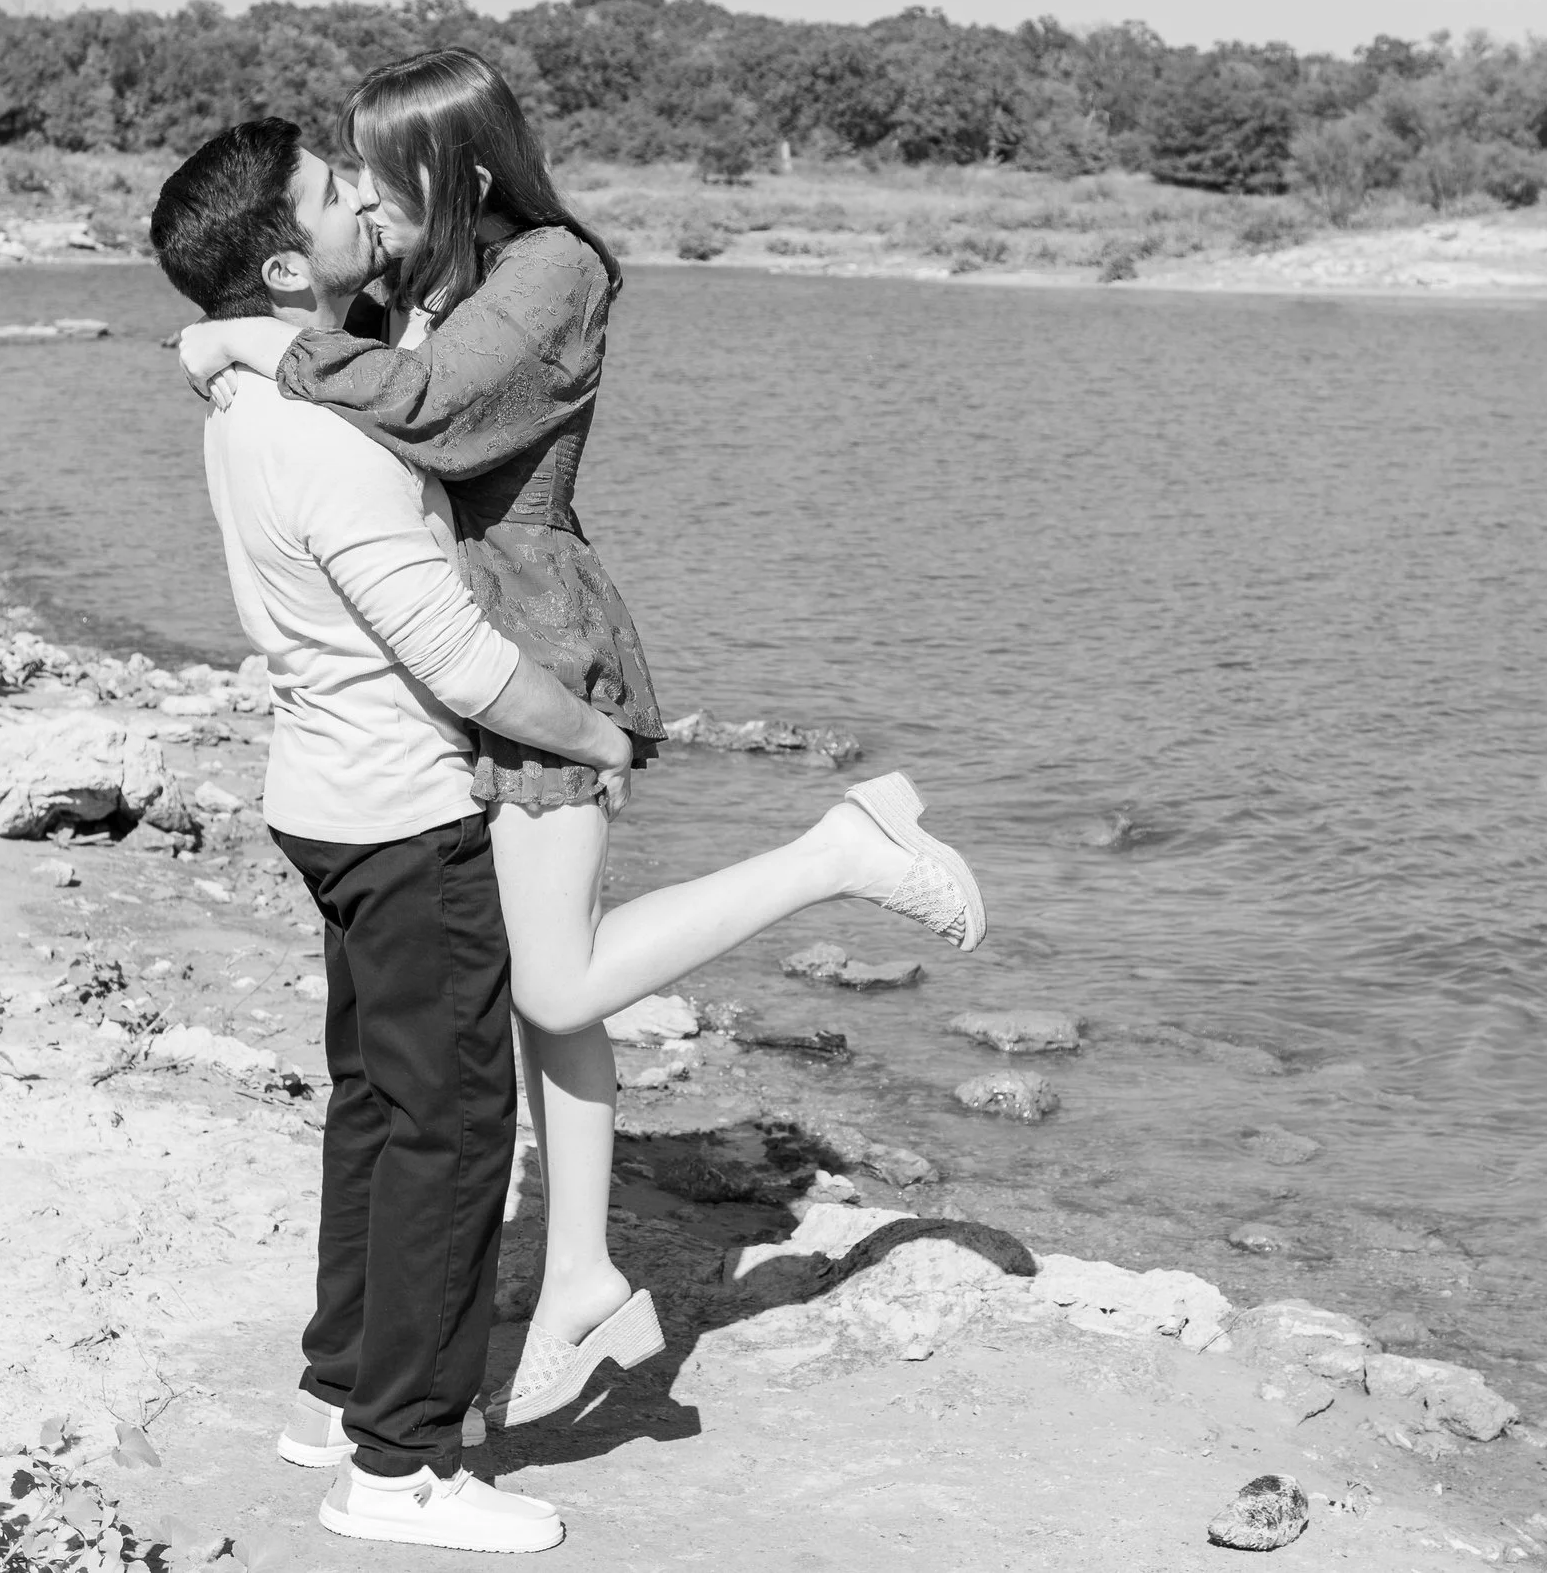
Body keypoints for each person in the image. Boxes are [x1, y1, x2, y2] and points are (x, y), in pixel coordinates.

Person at [155, 114, 984, 1550]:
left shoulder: (270, 398)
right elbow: (454, 657)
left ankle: (340, 1390)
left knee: (376, 1113)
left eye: (368, 175)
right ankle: (400, 1465)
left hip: (321, 797)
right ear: (289, 269)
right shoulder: (330, 436)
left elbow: (423, 400)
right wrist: (597, 736)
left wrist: (224, 343)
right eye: (333, 192)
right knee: (454, 1134)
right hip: (403, 812)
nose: (362, 201)